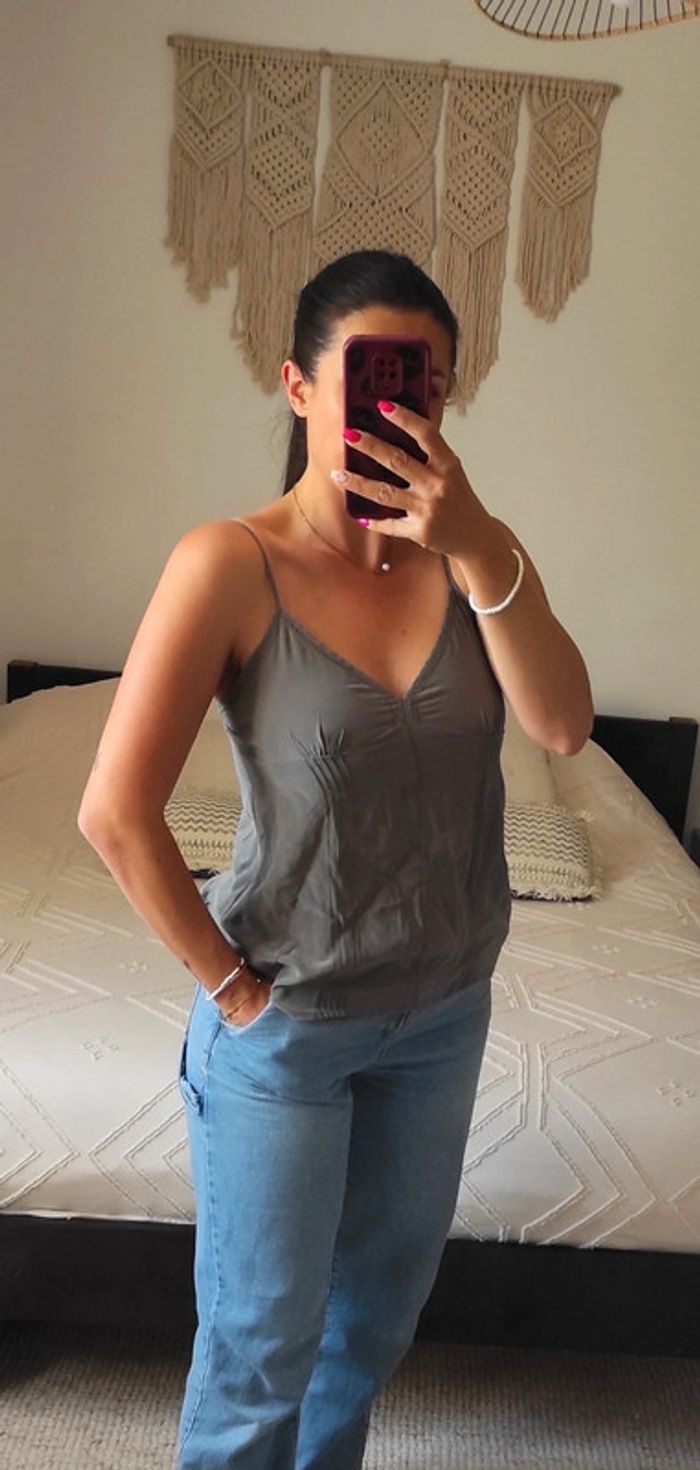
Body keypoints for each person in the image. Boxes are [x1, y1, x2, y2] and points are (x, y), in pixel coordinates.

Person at [78, 249, 593, 1470]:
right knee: (261, 1350)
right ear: (300, 387)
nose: (402, 408)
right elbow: (115, 813)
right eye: (370, 377)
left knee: (366, 1336)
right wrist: (231, 991)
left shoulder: (475, 559)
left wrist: (479, 544)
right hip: (286, 1025)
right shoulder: (228, 563)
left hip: (441, 1018)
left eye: (425, 385)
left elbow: (564, 726)